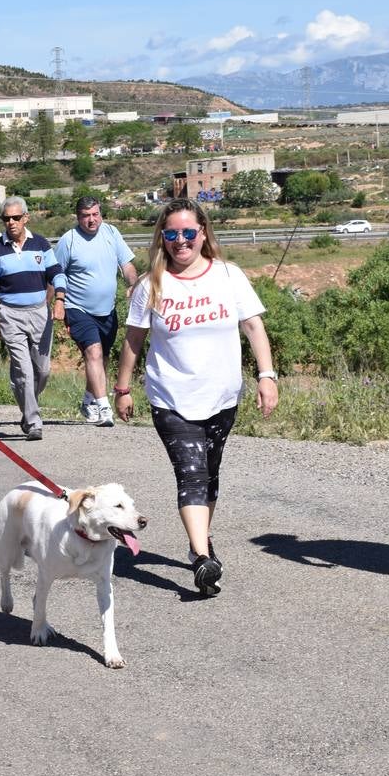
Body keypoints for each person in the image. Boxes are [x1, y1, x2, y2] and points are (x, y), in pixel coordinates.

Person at [113, 198, 278, 597]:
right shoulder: (151, 283)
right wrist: (121, 388)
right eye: (171, 234)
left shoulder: (228, 275)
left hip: (222, 395)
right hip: (170, 395)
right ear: (162, 237)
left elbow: (253, 326)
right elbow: (134, 339)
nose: (180, 241)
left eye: (189, 233)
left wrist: (267, 375)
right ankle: (203, 559)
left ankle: (197, 542)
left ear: (203, 233)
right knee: (191, 473)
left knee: (210, 473)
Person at [0, 196, 65, 440]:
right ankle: (34, 421)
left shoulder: (40, 244)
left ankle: (27, 404)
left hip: (40, 312)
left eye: (16, 218)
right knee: (25, 371)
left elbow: (57, 273)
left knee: (43, 370)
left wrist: (60, 300)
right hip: (10, 315)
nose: (11, 222)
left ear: (26, 218)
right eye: (6, 219)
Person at [53, 196, 139, 426]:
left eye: (95, 214)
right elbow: (55, 274)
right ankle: (104, 408)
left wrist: (134, 284)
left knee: (103, 358)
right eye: (85, 216)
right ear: (78, 217)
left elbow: (127, 265)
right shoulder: (68, 241)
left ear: (100, 213)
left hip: (107, 311)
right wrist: (55, 303)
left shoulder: (111, 233)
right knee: (94, 353)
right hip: (78, 307)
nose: (91, 220)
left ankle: (88, 399)